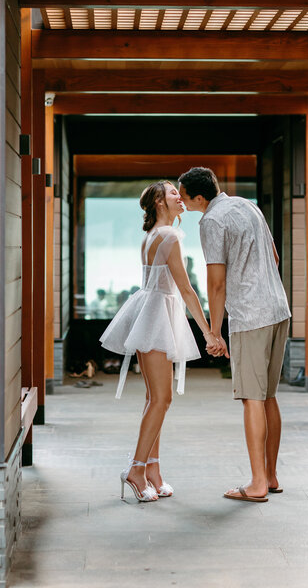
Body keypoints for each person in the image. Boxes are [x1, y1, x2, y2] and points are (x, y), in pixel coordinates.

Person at [100, 180, 220, 502]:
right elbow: (186, 289)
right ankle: (136, 470)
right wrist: (209, 332)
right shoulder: (168, 236)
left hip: (152, 312)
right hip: (156, 317)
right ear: (158, 202)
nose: (179, 196)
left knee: (155, 397)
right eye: (172, 193)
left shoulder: (152, 236)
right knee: (161, 399)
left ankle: (151, 469)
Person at [178, 167, 291, 503]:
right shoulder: (248, 205)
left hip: (251, 317)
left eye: (184, 196)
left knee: (251, 397)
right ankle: (269, 476)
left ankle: (257, 484)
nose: (182, 203)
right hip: (277, 309)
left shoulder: (211, 221)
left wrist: (214, 330)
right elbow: (274, 255)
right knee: (268, 395)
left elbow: (216, 281)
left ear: (200, 197)